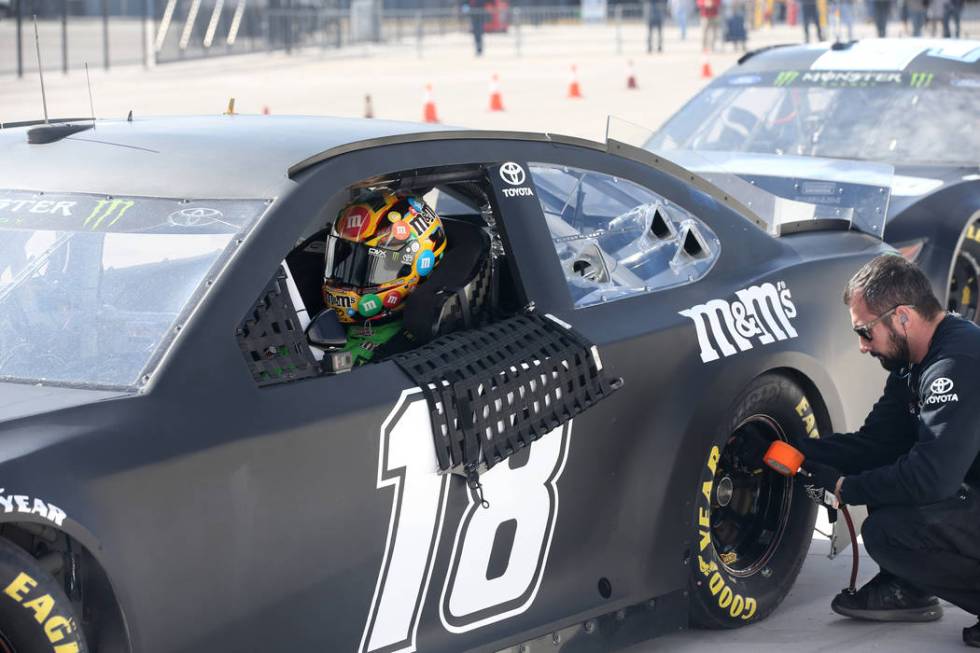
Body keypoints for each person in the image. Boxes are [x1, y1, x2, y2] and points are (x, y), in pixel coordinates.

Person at [747, 255, 980, 648]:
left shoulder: (955, 364)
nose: (861, 346)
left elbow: (932, 478)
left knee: (888, 532)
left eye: (865, 331)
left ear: (902, 317)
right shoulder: (914, 363)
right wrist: (795, 450)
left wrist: (843, 487)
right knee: (889, 480)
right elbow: (876, 444)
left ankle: (910, 582)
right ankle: (909, 587)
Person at [321, 191, 447, 366]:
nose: (348, 276)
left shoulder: (394, 355)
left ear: (417, 269)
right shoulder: (320, 316)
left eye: (373, 264)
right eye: (345, 257)